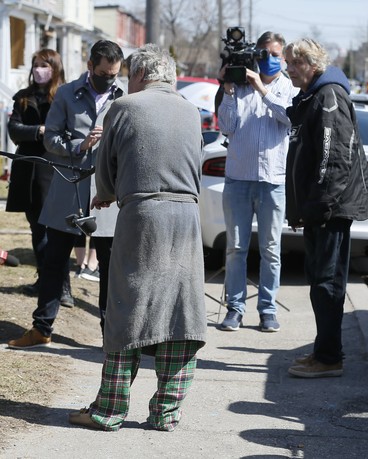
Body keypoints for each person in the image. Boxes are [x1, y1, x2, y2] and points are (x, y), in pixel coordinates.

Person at [68, 44, 207, 432]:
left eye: (130, 76)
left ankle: (109, 411)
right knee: (180, 312)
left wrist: (107, 192)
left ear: (141, 75)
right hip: (186, 218)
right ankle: (166, 412)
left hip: (142, 217)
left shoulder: (125, 108)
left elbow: (106, 166)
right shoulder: (192, 111)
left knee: (127, 308)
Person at [7, 40, 126, 349]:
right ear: (90, 66)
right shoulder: (66, 94)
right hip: (68, 186)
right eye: (103, 73)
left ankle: (109, 336)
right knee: (54, 261)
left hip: (107, 192)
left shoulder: (125, 97)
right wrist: (80, 145)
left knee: (109, 266)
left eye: (114, 74)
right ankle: (41, 328)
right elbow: (51, 140)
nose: (109, 79)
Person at [284, 39, 368, 378]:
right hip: (320, 208)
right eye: (287, 62)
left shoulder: (328, 96)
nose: (288, 69)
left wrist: (319, 207)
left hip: (329, 210)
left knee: (327, 283)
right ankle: (324, 351)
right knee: (321, 281)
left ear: (311, 63)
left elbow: (332, 159)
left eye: (294, 63)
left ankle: (329, 359)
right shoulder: (315, 95)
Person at [217, 31, 297, 332]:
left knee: (271, 250)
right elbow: (226, 126)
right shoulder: (239, 87)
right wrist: (227, 89)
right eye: (264, 53)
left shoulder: (289, 89)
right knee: (235, 248)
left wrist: (262, 88)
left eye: (276, 55)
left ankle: (267, 310)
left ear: (284, 58)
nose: (270, 59)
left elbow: (288, 119)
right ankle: (235, 309)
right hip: (238, 178)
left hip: (272, 182)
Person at [6, 49, 72, 305]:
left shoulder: (64, 97)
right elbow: (14, 129)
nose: (38, 69)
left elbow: (67, 132)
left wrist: (45, 134)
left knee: (55, 231)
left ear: (55, 68)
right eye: (35, 65)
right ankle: (44, 278)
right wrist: (40, 130)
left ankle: (62, 287)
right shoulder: (23, 98)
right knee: (36, 228)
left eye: (44, 65)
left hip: (53, 169)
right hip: (27, 169)